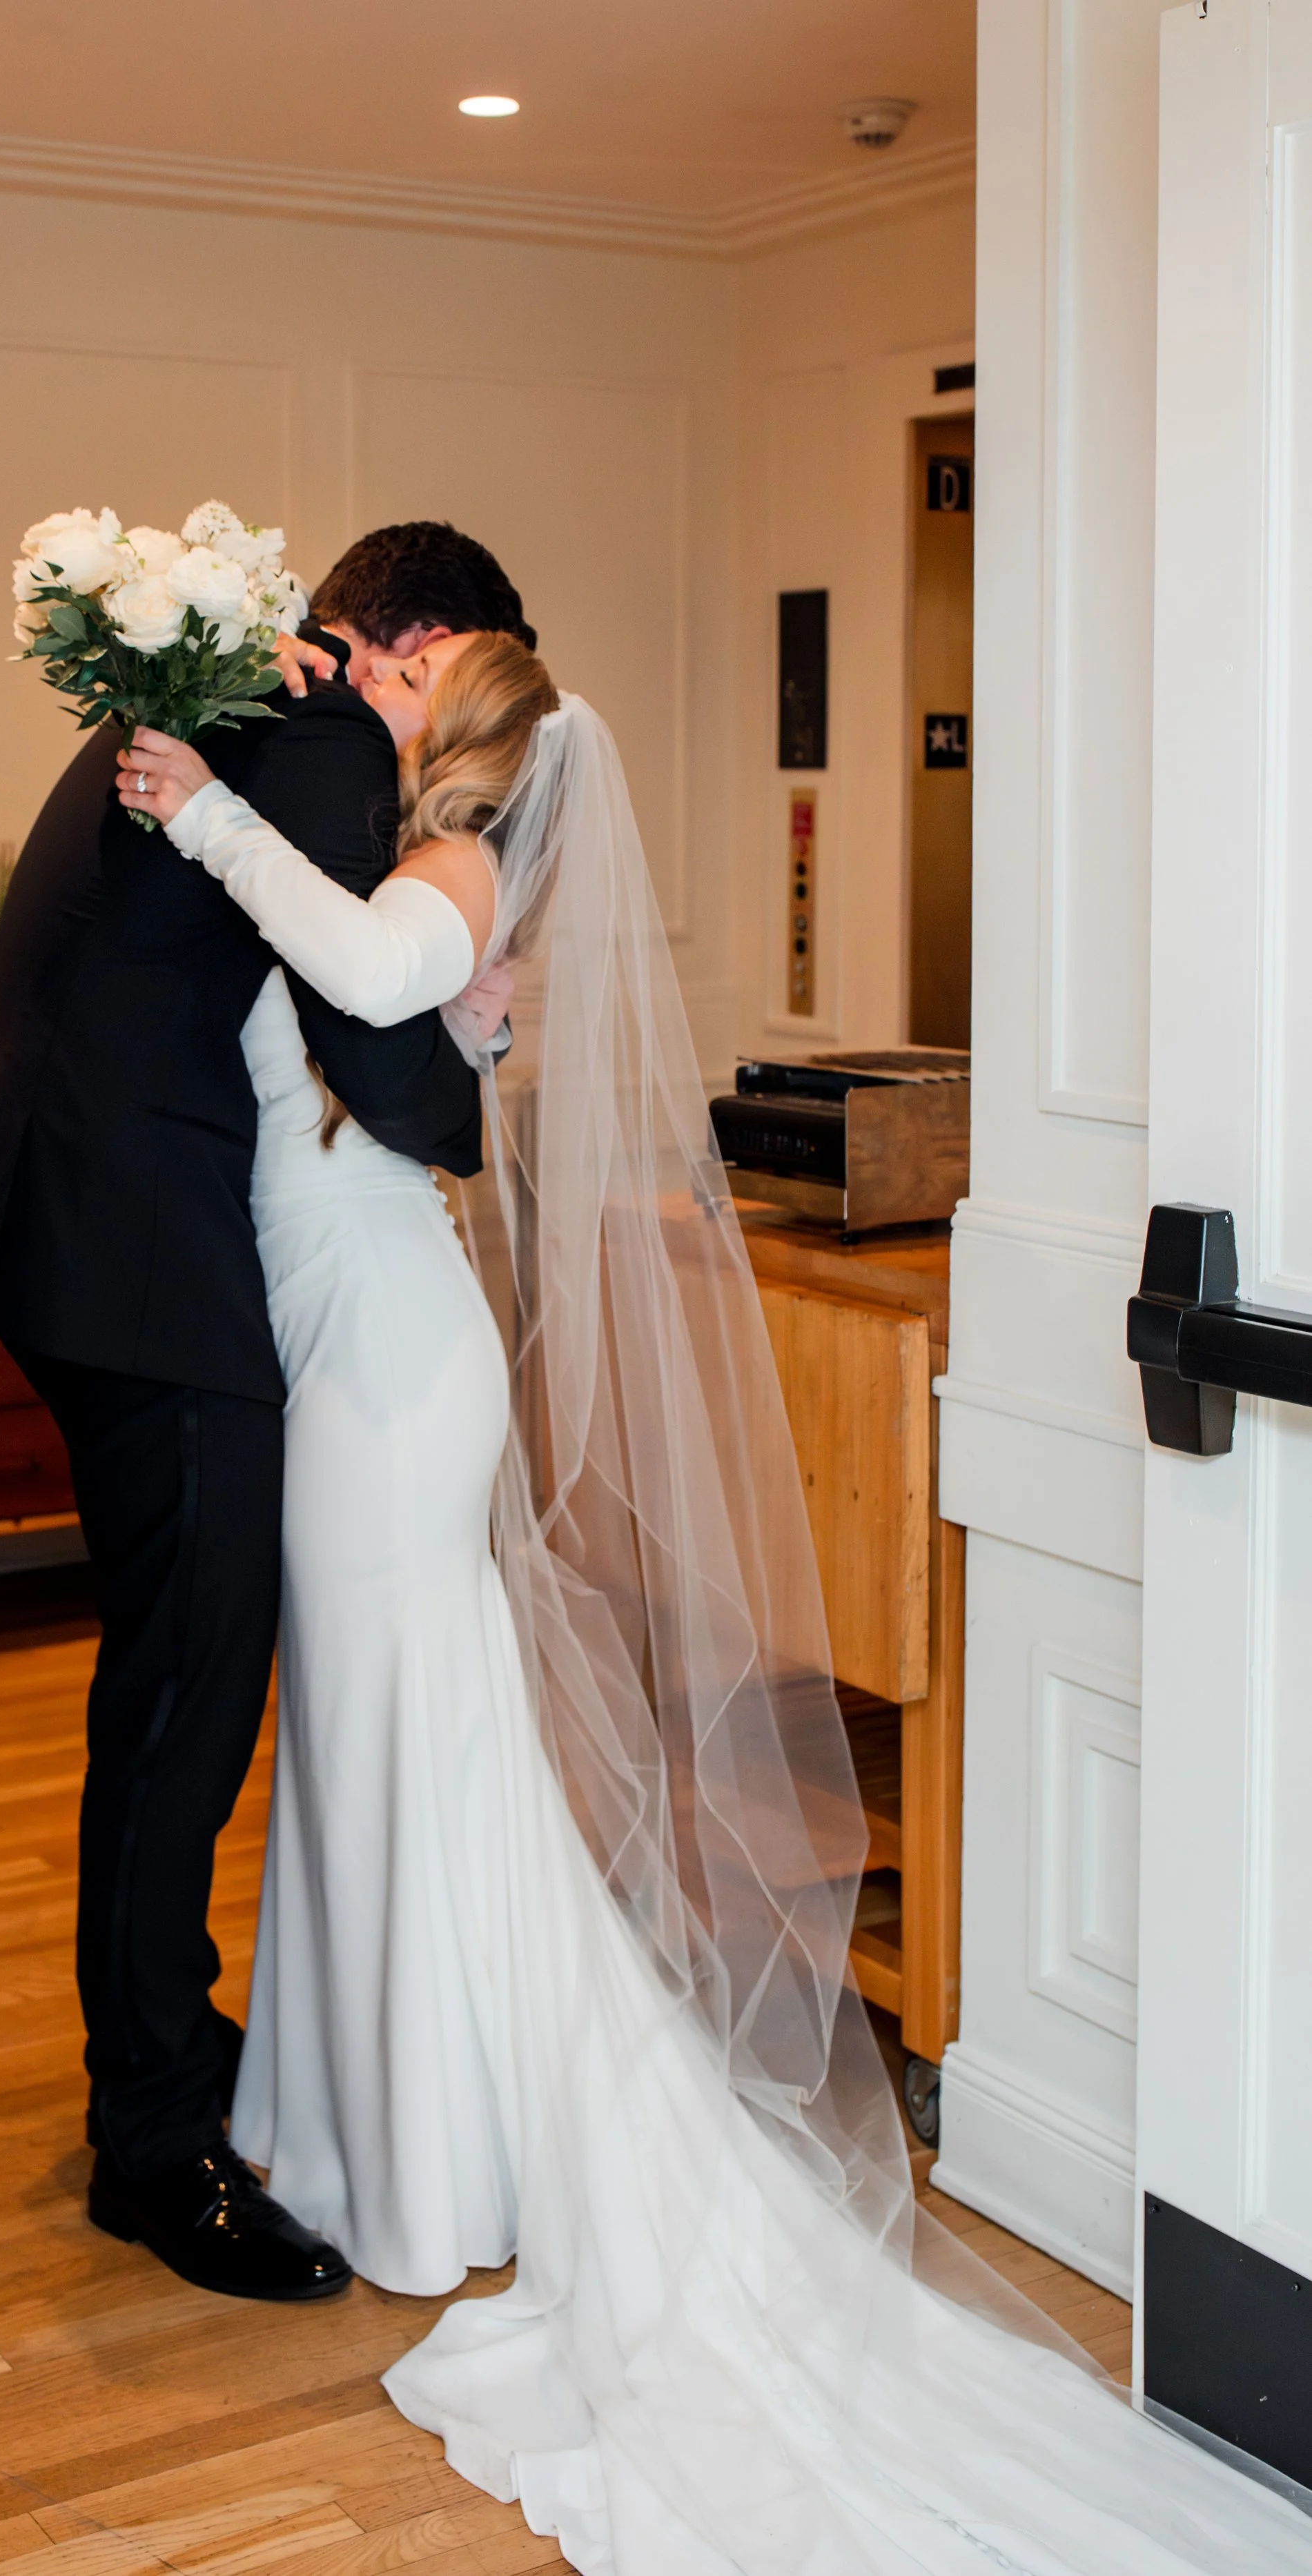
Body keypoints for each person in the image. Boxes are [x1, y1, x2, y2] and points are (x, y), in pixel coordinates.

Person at [115, 647, 1312, 2575]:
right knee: (375, 1748)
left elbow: (363, 976)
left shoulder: (455, 870)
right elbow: (401, 1029)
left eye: (414, 666)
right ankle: (358, 2126)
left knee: (402, 1739)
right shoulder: (426, 872)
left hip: (387, 1380)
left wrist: (208, 809)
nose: (383, 681)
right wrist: (447, 1010)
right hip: (346, 1343)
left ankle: (433, 2157)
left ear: (483, 723)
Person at [0, 522, 532, 2305]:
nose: (430, 733)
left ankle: (181, 2063)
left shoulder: (227, 701)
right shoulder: (327, 733)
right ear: (412, 638)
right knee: (188, 1693)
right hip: (148, 1265)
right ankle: (157, 2142)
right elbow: (376, 1034)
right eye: (451, 675)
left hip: (77, 1229)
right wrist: (470, 1066)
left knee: (179, 1673)